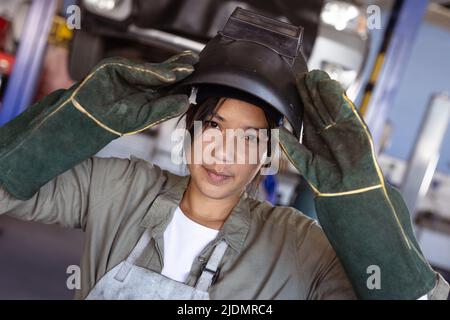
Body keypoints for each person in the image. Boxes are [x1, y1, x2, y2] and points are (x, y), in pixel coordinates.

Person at [0, 8, 448, 300]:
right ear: (191, 128)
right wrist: (80, 117)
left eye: (250, 137)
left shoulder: (297, 246)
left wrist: (364, 207)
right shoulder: (117, 189)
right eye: (215, 126)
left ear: (268, 153)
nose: (225, 152)